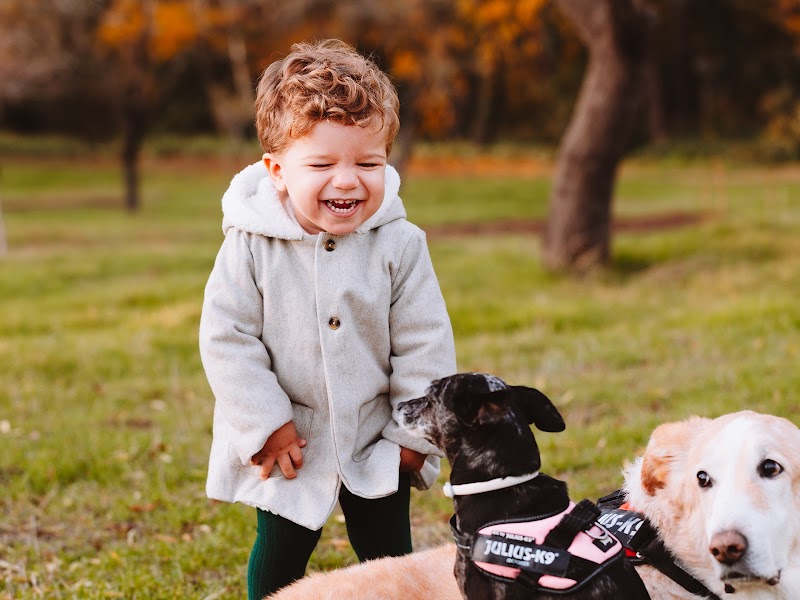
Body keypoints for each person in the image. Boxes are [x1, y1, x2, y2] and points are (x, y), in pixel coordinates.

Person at [198, 39, 456, 599]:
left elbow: (424, 341)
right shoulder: (250, 246)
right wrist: (266, 424)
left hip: (377, 434)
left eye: (369, 163)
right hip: (291, 443)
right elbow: (226, 337)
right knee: (281, 551)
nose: (347, 180)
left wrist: (416, 432)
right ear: (278, 171)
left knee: (388, 556)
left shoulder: (399, 245)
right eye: (321, 164)